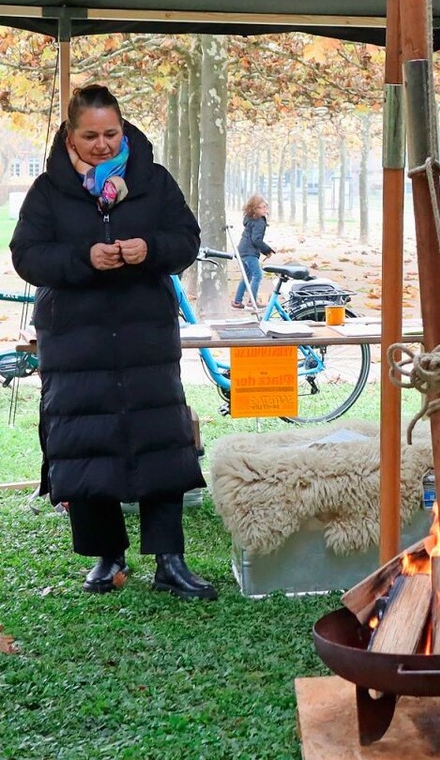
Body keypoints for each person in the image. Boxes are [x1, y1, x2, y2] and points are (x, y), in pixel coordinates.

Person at [10, 83, 217, 600]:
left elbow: (186, 240)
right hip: (75, 341)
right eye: (90, 135)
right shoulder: (46, 191)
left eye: (111, 133)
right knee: (86, 443)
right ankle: (108, 559)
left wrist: (148, 249)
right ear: (70, 136)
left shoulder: (153, 181)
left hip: (145, 334)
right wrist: (84, 257)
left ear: (123, 130)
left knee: (160, 440)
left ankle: (171, 560)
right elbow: (27, 256)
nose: (102, 144)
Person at [231, 194, 275, 309]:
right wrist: (267, 250)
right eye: (262, 207)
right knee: (258, 275)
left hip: (242, 250)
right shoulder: (259, 221)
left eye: (266, 206)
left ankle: (237, 301)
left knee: (247, 276)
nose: (265, 209)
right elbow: (256, 240)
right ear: (254, 209)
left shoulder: (251, 219)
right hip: (249, 252)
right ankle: (252, 301)